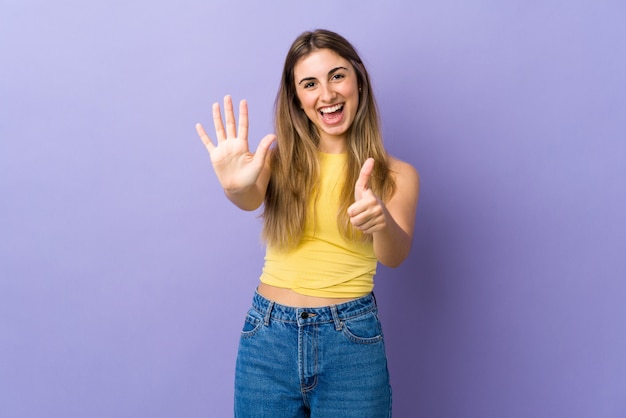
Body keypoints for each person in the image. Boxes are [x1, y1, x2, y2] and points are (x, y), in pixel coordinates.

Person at [196, 29, 419, 418]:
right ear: (298, 99)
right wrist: (234, 187)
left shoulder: (397, 174)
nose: (327, 94)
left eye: (337, 75)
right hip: (267, 339)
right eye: (310, 84)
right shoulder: (278, 161)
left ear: (358, 80)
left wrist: (380, 221)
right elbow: (249, 198)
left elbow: (395, 256)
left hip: (351, 342)